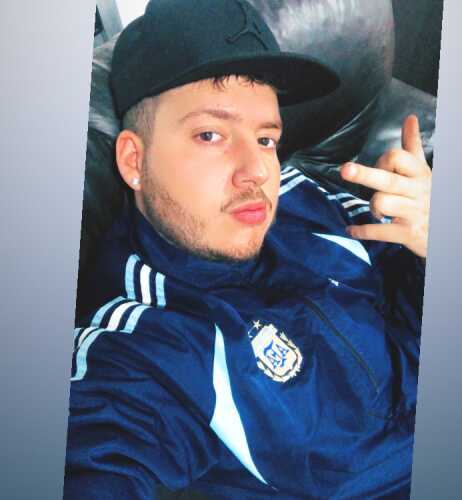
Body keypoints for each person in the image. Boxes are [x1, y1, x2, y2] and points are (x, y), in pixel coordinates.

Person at [64, 0, 431, 498]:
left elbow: (404, 278)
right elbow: (100, 453)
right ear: (134, 160)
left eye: (265, 139)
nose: (257, 172)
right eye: (211, 135)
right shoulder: (146, 340)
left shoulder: (301, 196)